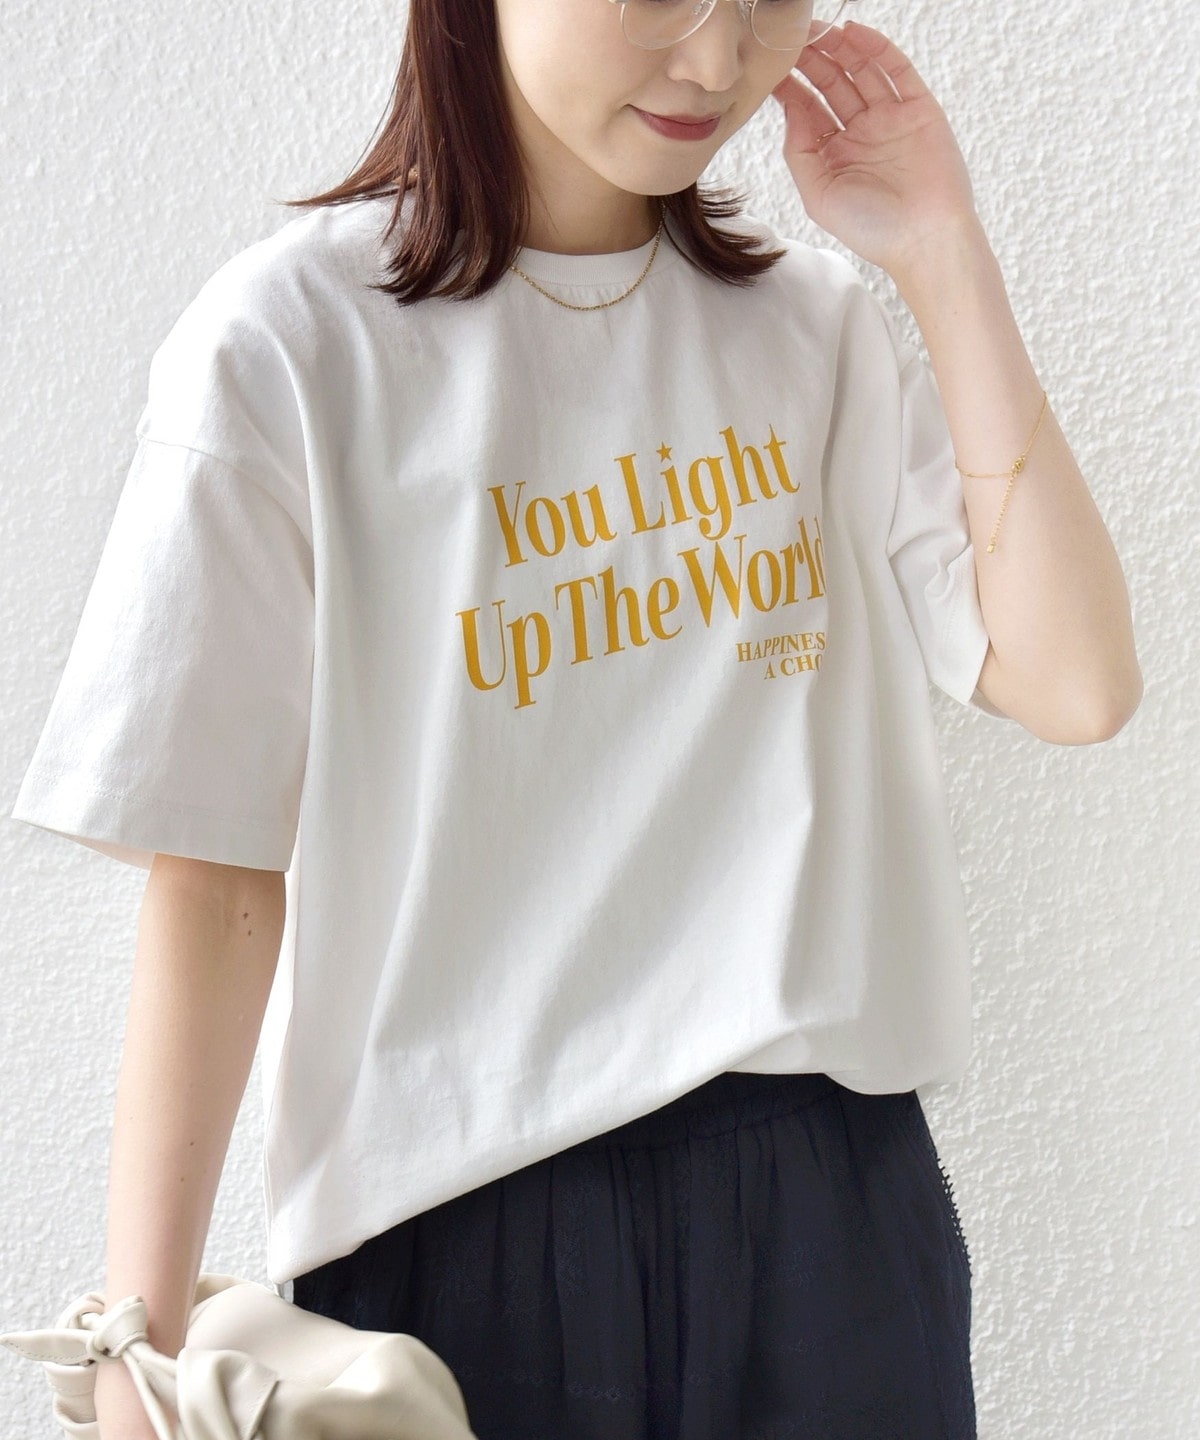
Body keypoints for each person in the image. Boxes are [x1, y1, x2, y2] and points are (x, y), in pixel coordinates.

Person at [10, 0, 1141, 1436]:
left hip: (832, 1219)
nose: (717, 61)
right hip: (456, 1242)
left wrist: (941, 251)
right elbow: (219, 876)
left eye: (765, 2)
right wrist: (136, 1346)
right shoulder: (292, 344)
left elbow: (1076, 680)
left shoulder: (815, 330)